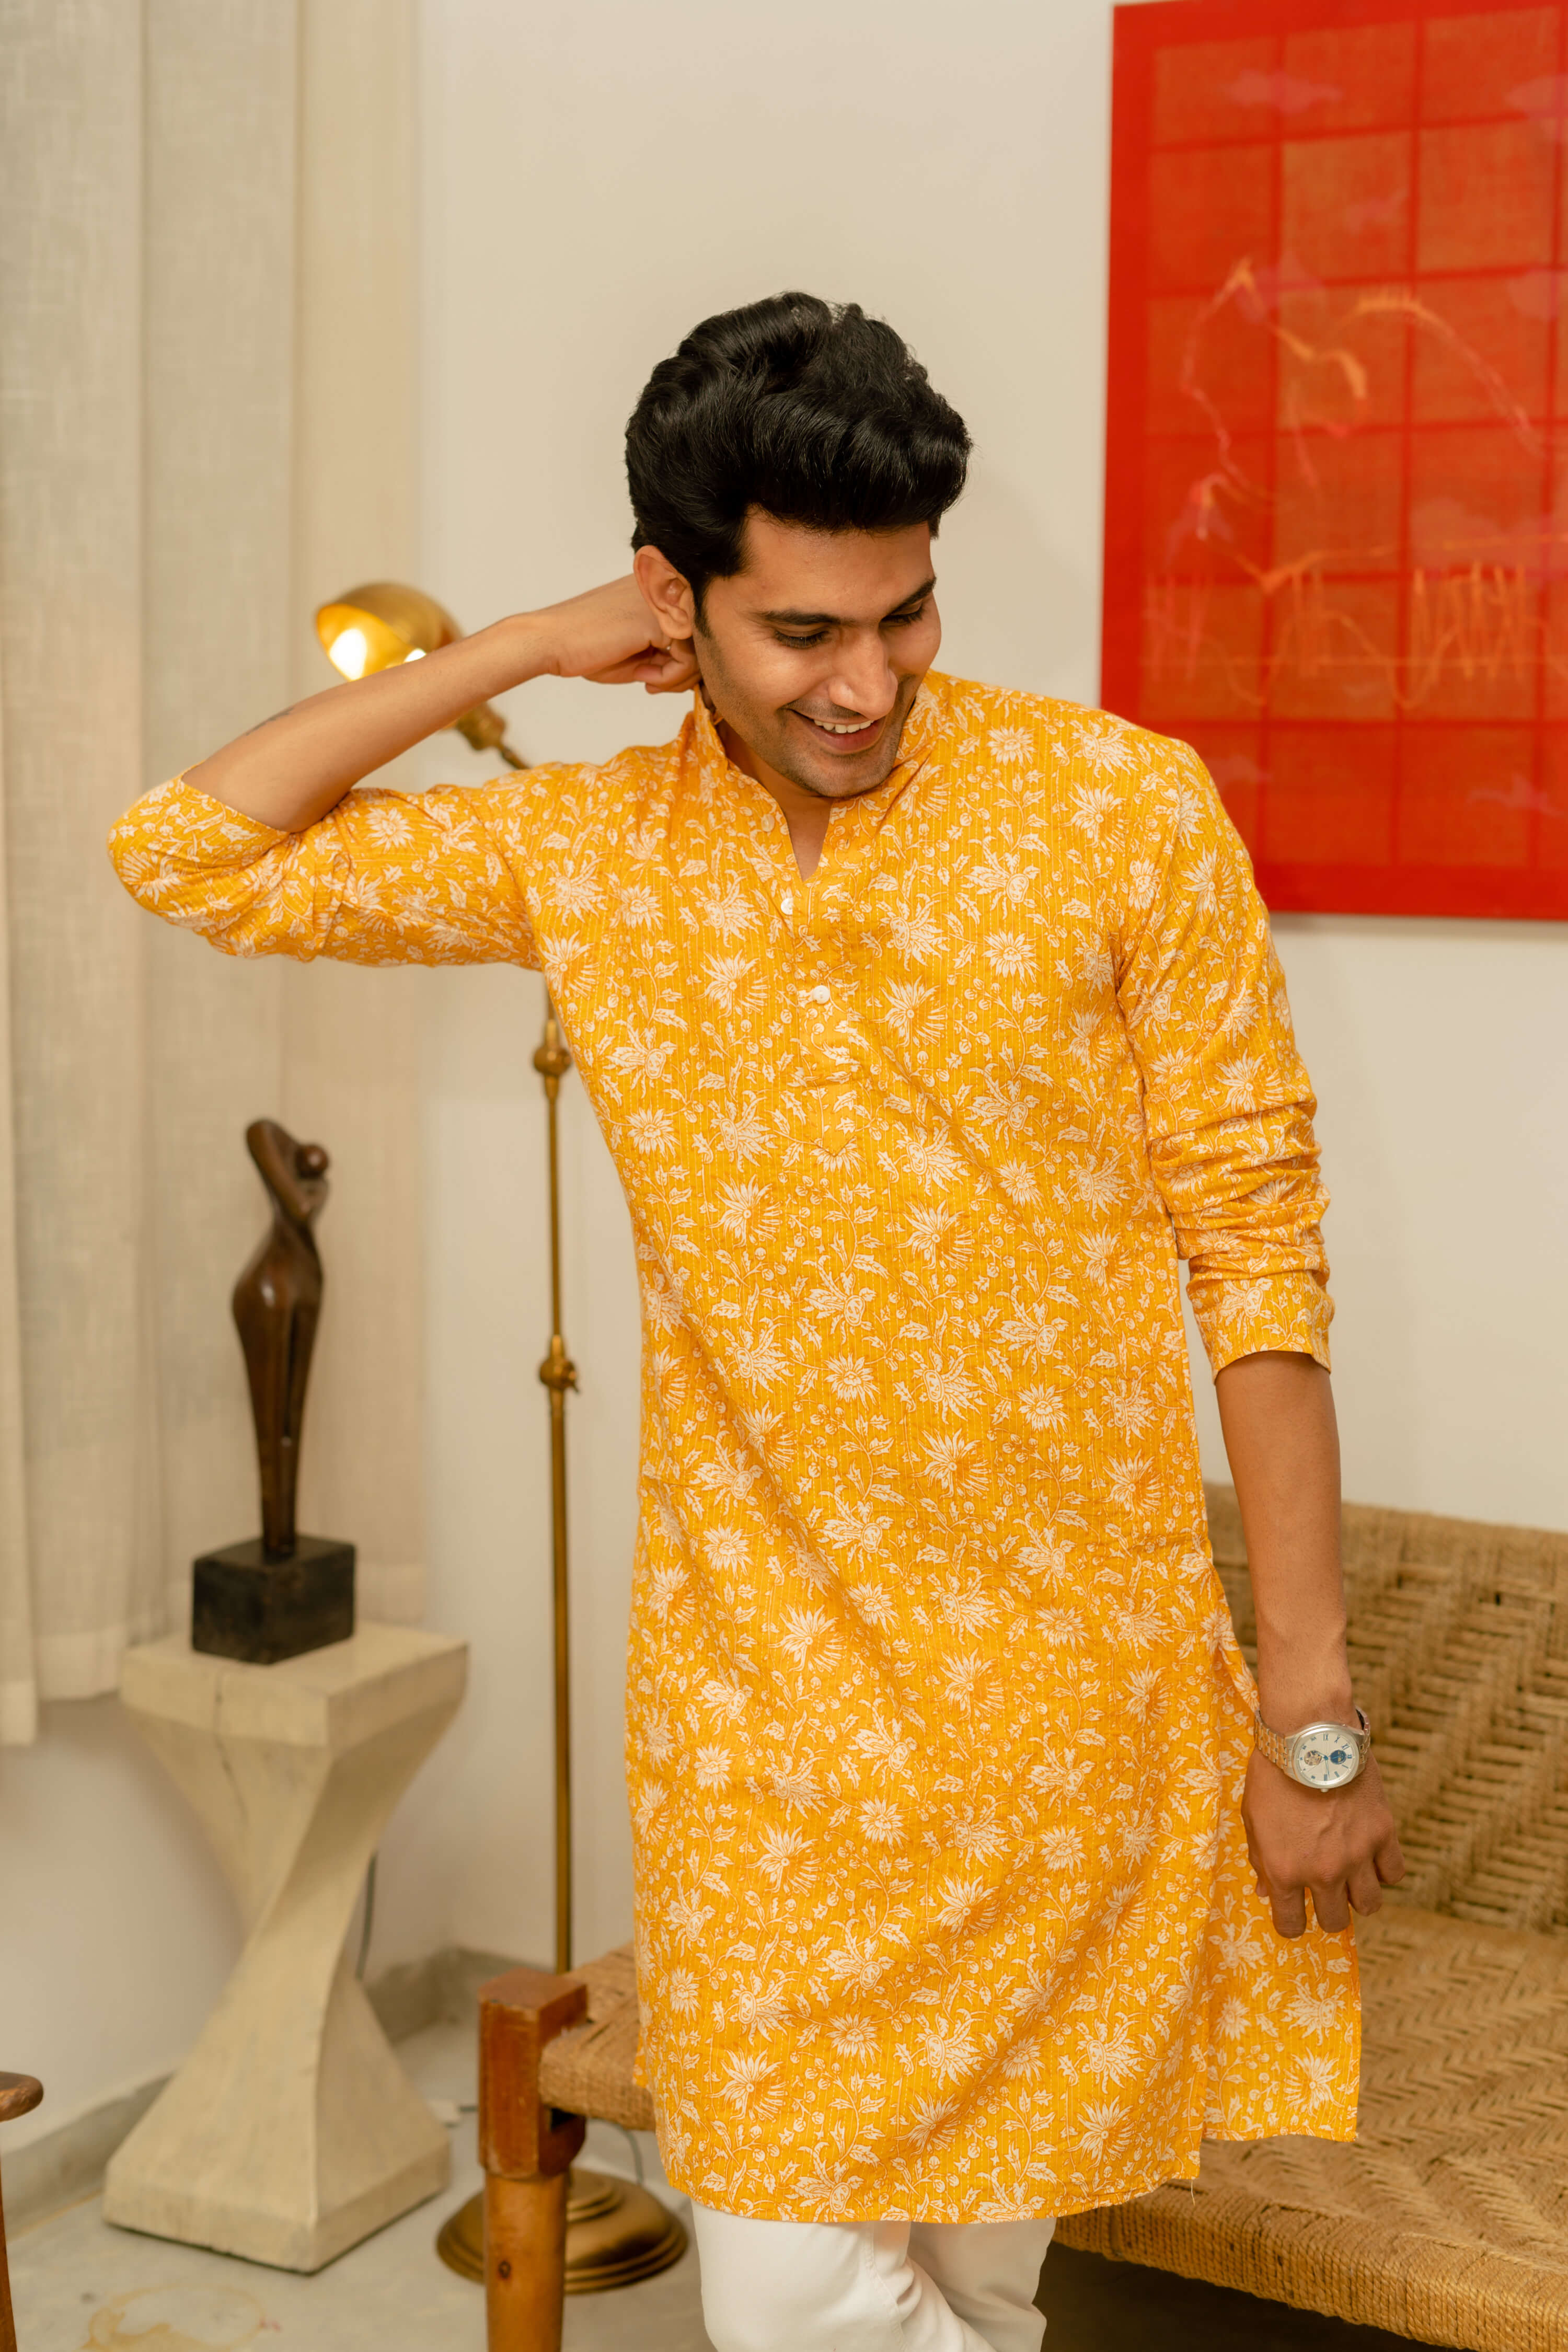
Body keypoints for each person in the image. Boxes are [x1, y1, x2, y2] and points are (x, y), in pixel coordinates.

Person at [109, 292, 1403, 2352]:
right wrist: (524, 649)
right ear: (672, 599)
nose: (869, 681)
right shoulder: (592, 848)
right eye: (804, 630)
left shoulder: (1123, 813)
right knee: (797, 2293)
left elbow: (1260, 1255)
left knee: (980, 2279)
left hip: (1079, 1715)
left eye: (905, 615)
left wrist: (1310, 1716)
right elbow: (188, 850)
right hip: (761, 1722)